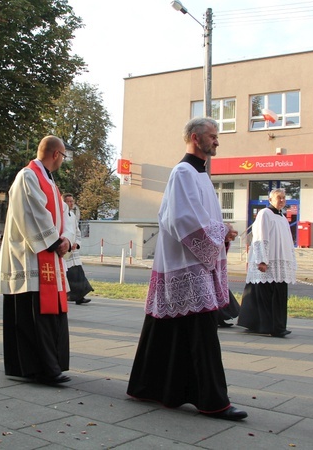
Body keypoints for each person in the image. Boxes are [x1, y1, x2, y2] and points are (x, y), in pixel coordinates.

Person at [126, 117, 247, 421]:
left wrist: (223, 230)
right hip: (187, 263)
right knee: (202, 332)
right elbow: (182, 220)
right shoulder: (183, 172)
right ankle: (213, 400)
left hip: (194, 260)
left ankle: (150, 386)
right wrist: (218, 234)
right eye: (213, 136)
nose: (217, 141)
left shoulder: (201, 175)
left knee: (171, 327)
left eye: (217, 136)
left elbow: (202, 218)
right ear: (196, 138)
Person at [0, 136, 73, 385]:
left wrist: (67, 240)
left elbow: (65, 216)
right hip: (30, 258)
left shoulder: (50, 182)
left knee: (49, 315)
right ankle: (39, 368)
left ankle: (48, 365)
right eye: (64, 156)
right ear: (57, 154)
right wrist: (53, 242)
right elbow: (33, 212)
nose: (63, 161)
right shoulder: (28, 176)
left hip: (49, 254)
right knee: (33, 314)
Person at [238, 188, 297, 337]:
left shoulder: (282, 217)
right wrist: (261, 260)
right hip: (268, 263)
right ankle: (271, 327)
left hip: (280, 263)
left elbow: (288, 241)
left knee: (279, 296)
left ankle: (277, 326)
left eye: (284, 198)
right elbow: (260, 237)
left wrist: (291, 260)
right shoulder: (265, 214)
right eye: (279, 198)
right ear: (270, 200)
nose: (282, 200)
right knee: (266, 297)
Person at [62, 193, 93, 305]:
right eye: (68, 201)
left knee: (79, 273)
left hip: (74, 250)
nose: (71, 204)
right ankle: (69, 296)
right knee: (70, 275)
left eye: (72, 201)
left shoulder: (73, 216)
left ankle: (80, 296)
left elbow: (77, 232)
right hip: (66, 250)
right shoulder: (61, 215)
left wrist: (77, 243)